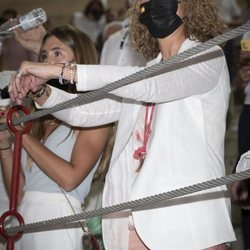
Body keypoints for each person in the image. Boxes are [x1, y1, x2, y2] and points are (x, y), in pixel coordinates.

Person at [8, 0, 236, 249]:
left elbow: (152, 86)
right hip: (132, 220)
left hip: (189, 219)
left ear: (190, 6)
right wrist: (40, 90)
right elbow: (86, 111)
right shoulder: (146, 71)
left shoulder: (206, 56)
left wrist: (59, 71)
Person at [0, 25, 111, 250]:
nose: (46, 62)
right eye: (43, 56)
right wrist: (4, 145)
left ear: (79, 62)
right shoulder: (37, 117)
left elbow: (70, 179)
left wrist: (21, 133)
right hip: (25, 219)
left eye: (57, 53)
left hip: (59, 223)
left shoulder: (96, 113)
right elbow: (19, 191)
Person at [231, 30, 250, 250]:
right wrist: (241, 77)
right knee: (245, 188)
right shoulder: (246, 32)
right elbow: (239, 82)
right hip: (248, 107)